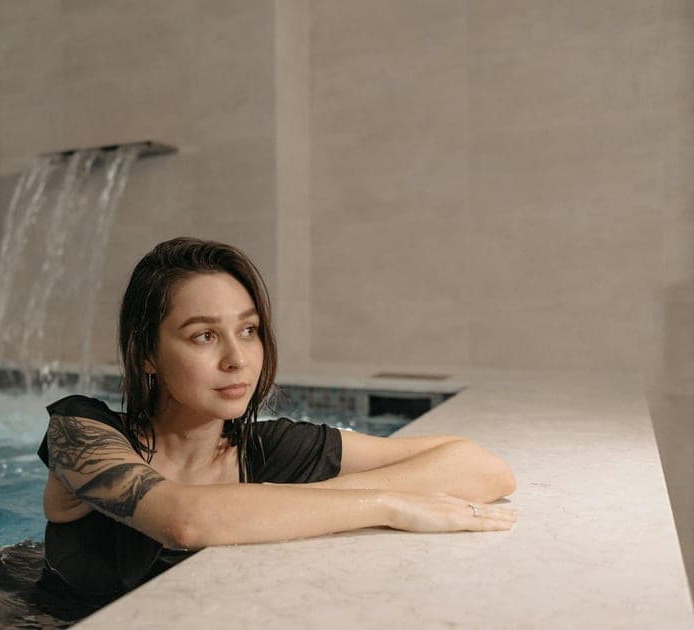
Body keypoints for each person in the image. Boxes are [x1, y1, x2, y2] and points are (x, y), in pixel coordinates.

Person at [36, 237, 517, 607]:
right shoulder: (82, 431)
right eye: (203, 336)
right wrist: (389, 505)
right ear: (147, 356)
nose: (237, 359)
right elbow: (183, 520)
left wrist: (303, 501)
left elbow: (483, 467)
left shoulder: (266, 449)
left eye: (248, 331)